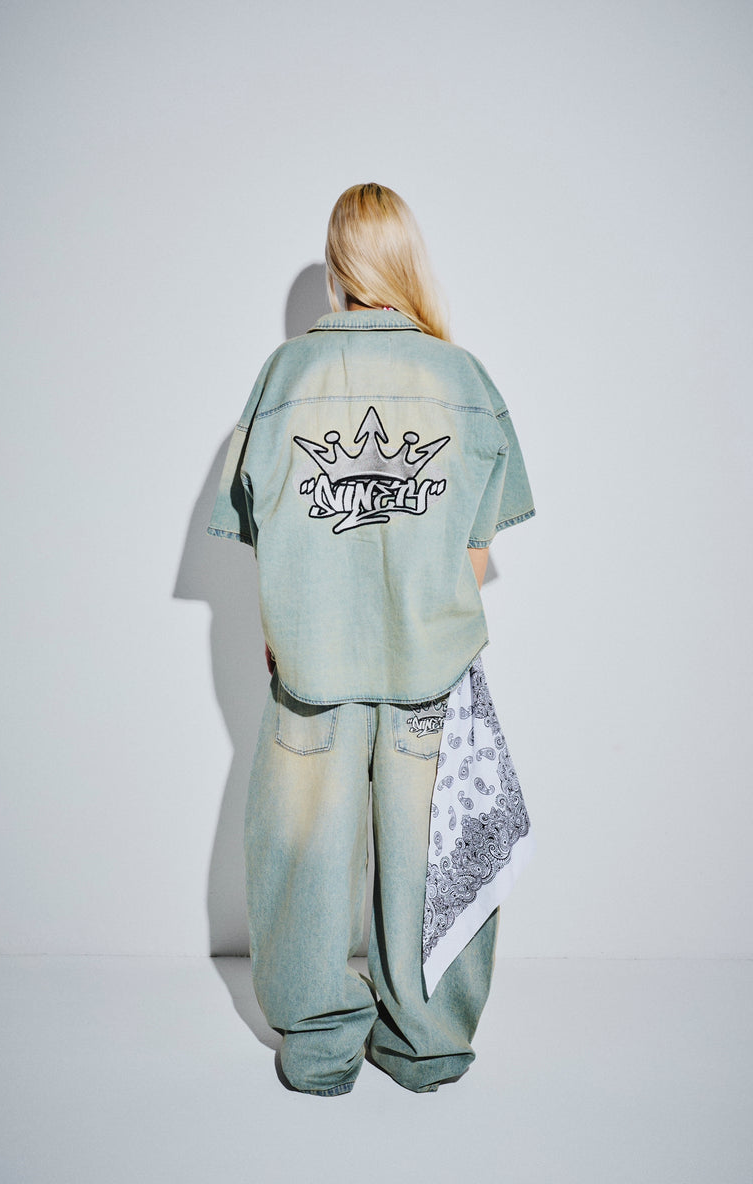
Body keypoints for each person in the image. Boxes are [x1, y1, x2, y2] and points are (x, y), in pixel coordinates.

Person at [207, 182, 536, 1095]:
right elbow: (477, 550)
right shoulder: (462, 379)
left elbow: (259, 533)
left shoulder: (284, 376)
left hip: (310, 667)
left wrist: (292, 627)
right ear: (405, 257)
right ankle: (427, 1047)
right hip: (432, 669)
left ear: (339, 265)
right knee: (431, 865)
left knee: (302, 865)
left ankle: (317, 1051)